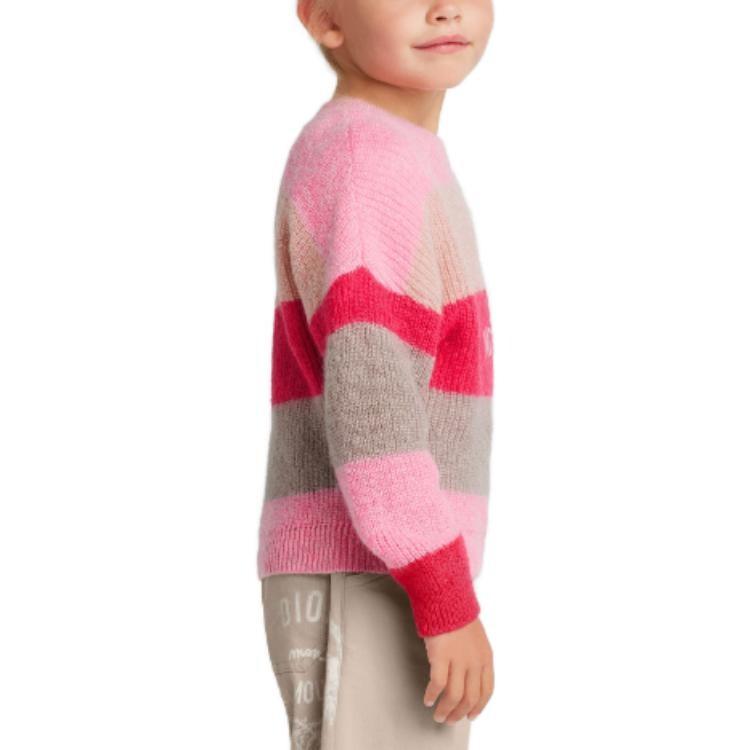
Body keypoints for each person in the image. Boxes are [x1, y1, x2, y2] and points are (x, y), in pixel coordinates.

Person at [257, 1, 496, 747]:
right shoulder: (368, 164)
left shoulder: (393, 152)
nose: (444, 7)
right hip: (367, 568)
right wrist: (444, 595)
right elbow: (374, 407)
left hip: (386, 563)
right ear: (326, 19)